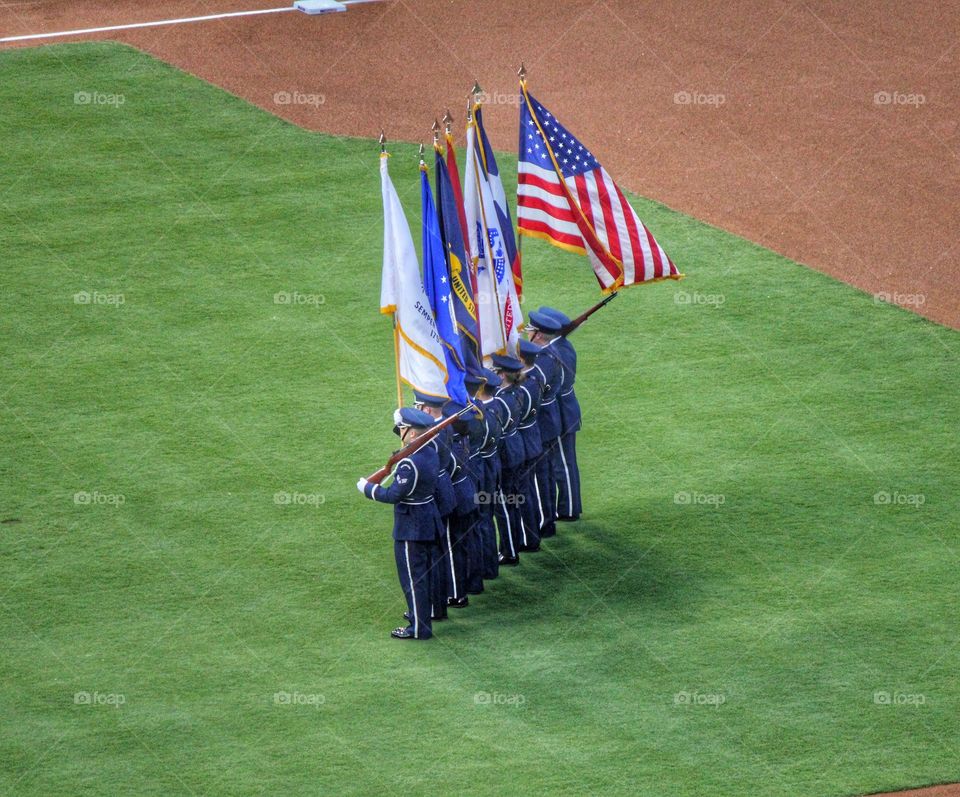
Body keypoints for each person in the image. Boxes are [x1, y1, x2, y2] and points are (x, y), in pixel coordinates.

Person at [357, 407, 443, 640]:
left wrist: (368, 489)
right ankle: (424, 614)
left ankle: (418, 628)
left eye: (403, 429)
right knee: (424, 575)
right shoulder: (431, 451)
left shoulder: (410, 464)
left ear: (413, 434)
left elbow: (393, 495)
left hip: (411, 527)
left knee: (413, 579)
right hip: (428, 520)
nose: (399, 432)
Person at [535, 307, 582, 521]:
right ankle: (566, 506)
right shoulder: (563, 346)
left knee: (563, 463)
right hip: (566, 408)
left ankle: (570, 508)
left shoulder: (554, 353)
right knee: (562, 462)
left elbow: (557, 384)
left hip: (561, 411)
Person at [413, 391, 457, 620]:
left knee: (432, 557)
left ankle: (432, 607)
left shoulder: (431, 434)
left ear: (427, 410)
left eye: (418, 407)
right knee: (438, 554)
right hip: (443, 489)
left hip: (434, 496)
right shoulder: (444, 426)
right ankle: (437, 605)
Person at [489, 354, 527, 565]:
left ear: (502, 374)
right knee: (513, 500)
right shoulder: (515, 391)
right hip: (516, 448)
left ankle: (510, 551)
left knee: (502, 504)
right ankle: (515, 541)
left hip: (505, 453)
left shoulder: (501, 400)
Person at [516, 339, 545, 552]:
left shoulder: (523, 389)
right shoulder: (535, 378)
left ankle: (530, 538)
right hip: (533, 437)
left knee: (523, 493)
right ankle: (533, 533)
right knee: (529, 491)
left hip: (523, 444)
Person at [475, 368, 504, 579]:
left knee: (482, 519)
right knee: (487, 516)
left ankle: (486, 567)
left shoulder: (481, 415)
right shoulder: (498, 405)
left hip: (483, 468)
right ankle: (490, 565)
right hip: (493, 463)